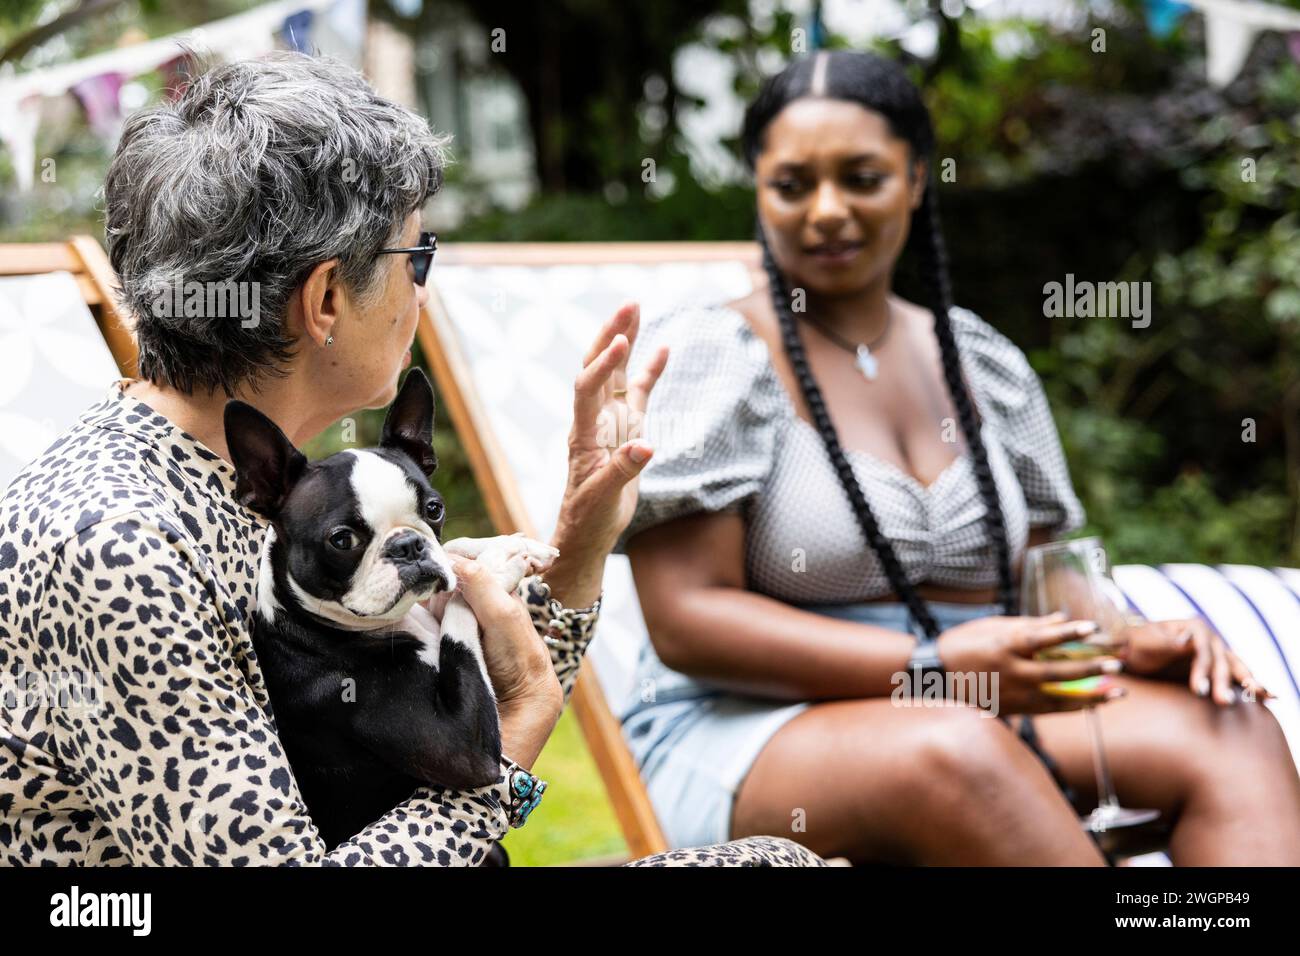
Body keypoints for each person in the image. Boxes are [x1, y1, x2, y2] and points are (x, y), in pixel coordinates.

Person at [0, 53, 822, 868]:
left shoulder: (267, 490)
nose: (424, 290)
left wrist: (581, 540)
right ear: (326, 300)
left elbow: (427, 728)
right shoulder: (117, 543)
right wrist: (521, 731)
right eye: (416, 259)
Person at [619, 50, 1300, 865]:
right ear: (759, 190)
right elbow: (689, 622)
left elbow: (1049, 567)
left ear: (914, 180)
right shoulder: (712, 355)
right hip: (753, 723)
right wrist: (933, 668)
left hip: (988, 694)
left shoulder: (981, 359)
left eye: (862, 178)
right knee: (955, 750)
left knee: (1228, 729)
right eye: (793, 185)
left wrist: (1118, 639)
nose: (827, 210)